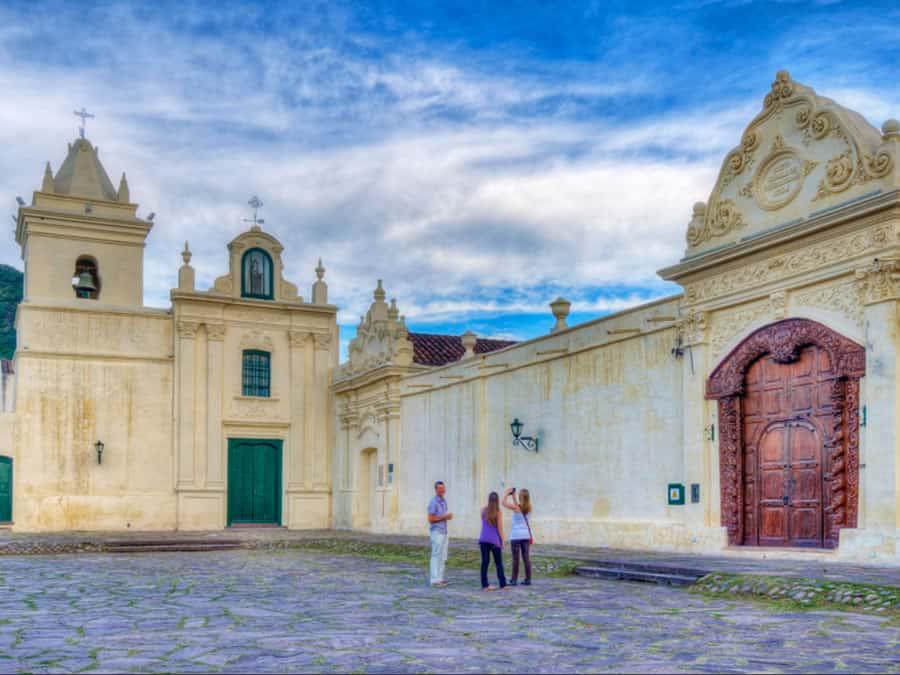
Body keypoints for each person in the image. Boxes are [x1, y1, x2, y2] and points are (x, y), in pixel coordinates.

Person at [502, 486, 533, 586]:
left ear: (521, 497)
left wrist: (507, 493)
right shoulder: (529, 507)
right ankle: (528, 579)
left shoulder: (516, 508)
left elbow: (503, 503)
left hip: (516, 536)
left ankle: (514, 580)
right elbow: (519, 507)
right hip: (526, 536)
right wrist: (514, 496)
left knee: (516, 559)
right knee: (526, 558)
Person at [478, 491, 507, 591]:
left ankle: (484, 585)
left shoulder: (482, 510)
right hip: (494, 541)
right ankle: (503, 584)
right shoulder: (498, 512)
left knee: (485, 562)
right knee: (498, 563)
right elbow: (500, 528)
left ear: (489, 500)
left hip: (483, 540)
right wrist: (503, 540)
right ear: (497, 500)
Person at [427, 480, 453, 587]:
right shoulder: (433, 502)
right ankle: (434, 579)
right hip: (437, 532)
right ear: (436, 489)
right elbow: (430, 518)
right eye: (440, 488)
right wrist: (445, 517)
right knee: (436, 555)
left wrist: (447, 517)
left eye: (443, 488)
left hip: (444, 532)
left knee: (443, 556)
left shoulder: (443, 500)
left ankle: (440, 578)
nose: (442, 490)